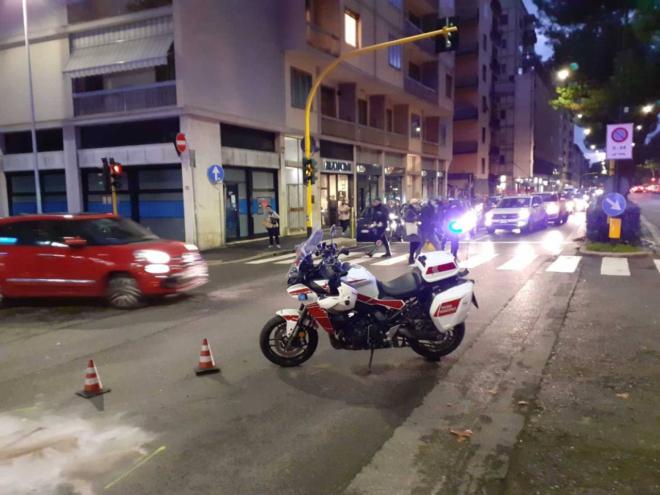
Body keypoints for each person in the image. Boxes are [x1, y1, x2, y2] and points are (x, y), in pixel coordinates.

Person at [402, 198, 421, 264]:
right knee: (415, 242)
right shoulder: (409, 210)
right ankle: (411, 257)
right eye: (414, 203)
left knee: (416, 242)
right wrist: (415, 218)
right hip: (411, 227)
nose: (416, 205)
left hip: (416, 227)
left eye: (416, 203)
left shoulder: (417, 209)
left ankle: (411, 257)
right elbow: (405, 218)